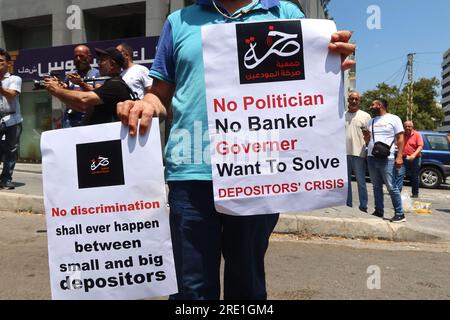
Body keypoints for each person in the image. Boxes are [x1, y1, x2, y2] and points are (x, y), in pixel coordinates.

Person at [117, 0, 356, 300]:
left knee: (247, 285)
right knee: (190, 289)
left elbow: (306, 87)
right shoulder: (178, 22)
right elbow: (159, 94)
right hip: (190, 172)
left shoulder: (284, 14)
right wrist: (144, 105)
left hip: (257, 172)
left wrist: (331, 65)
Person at [45, 47, 135, 125]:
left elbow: (83, 100)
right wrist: (58, 91)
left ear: (112, 64)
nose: (99, 64)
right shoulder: (110, 83)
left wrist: (56, 90)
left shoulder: (115, 85)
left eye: (102, 60)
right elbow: (81, 107)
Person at [363, 99, 406, 223]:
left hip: (387, 158)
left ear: (380, 105)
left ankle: (400, 213)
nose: (371, 106)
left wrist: (399, 156)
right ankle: (379, 211)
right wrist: (366, 138)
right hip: (372, 157)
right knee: (376, 186)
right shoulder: (371, 121)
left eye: (373, 104)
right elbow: (367, 140)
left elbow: (400, 138)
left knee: (391, 186)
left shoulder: (394, 119)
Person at [63, 45, 102, 128]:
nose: (78, 59)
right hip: (71, 120)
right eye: (76, 56)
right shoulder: (69, 76)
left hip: (90, 120)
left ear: (89, 57)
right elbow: (65, 95)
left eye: (81, 56)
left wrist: (81, 83)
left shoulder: (97, 74)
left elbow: (99, 94)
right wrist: (61, 88)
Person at [0, 48, 23, 190]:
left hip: (13, 119)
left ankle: (6, 179)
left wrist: (1, 88)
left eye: (1, 61)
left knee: (11, 151)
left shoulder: (15, 79)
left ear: (8, 63)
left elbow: (12, 95)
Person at [345, 91, 371, 212]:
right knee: (346, 183)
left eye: (356, 99)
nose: (354, 101)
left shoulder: (365, 116)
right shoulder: (342, 115)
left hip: (359, 154)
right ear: (348, 100)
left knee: (361, 182)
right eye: (352, 99)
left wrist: (367, 148)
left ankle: (363, 206)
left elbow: (370, 136)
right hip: (343, 154)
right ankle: (347, 205)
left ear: (359, 101)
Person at [394, 120, 423, 198]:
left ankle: (415, 193)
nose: (407, 128)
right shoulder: (401, 135)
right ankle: (397, 192)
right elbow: (397, 144)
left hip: (415, 159)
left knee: (414, 176)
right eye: (405, 126)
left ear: (412, 127)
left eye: (409, 126)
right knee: (400, 174)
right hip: (403, 158)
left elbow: (420, 146)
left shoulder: (417, 135)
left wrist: (413, 155)